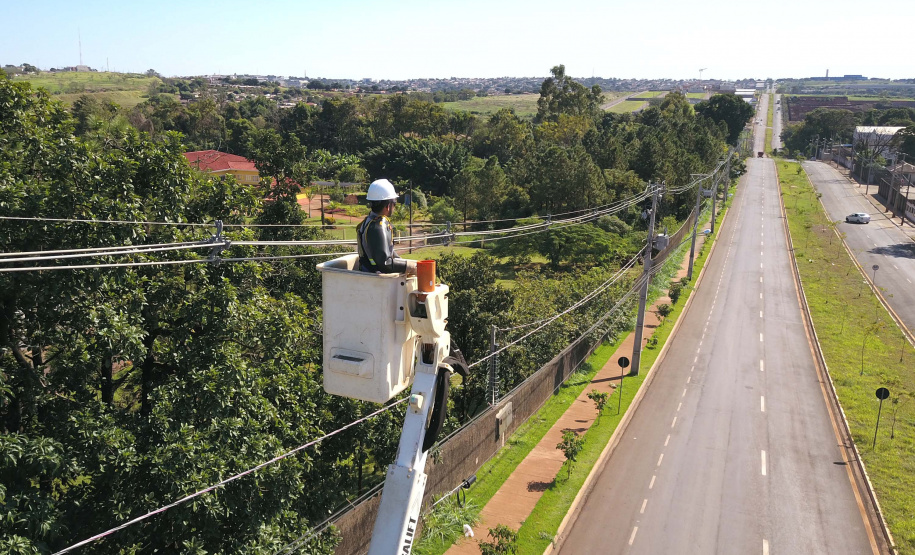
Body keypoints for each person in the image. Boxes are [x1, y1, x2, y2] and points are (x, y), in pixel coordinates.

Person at [357, 179, 417, 275]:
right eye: (394, 203)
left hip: (369, 271)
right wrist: (409, 266)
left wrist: (401, 260)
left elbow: (388, 252)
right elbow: (385, 264)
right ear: (388, 205)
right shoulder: (378, 227)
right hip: (375, 278)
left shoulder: (368, 221)